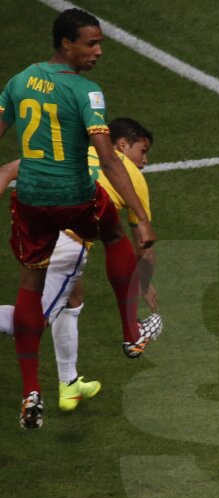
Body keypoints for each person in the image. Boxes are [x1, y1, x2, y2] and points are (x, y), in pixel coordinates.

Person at [0, 7, 157, 429]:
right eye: (91, 43)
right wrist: (141, 218)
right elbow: (108, 158)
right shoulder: (86, 92)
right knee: (114, 234)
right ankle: (130, 333)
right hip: (72, 197)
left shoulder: (17, 82)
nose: (99, 51)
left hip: (30, 200)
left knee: (32, 286)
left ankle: (32, 389)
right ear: (66, 43)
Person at [0, 117, 161, 412]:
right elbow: (144, 250)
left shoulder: (74, 152)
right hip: (67, 245)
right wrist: (145, 286)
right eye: (143, 150)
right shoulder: (133, 180)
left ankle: (69, 384)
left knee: (74, 297)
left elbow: (7, 171)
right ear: (122, 145)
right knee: (35, 320)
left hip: (35, 230)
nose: (145, 161)